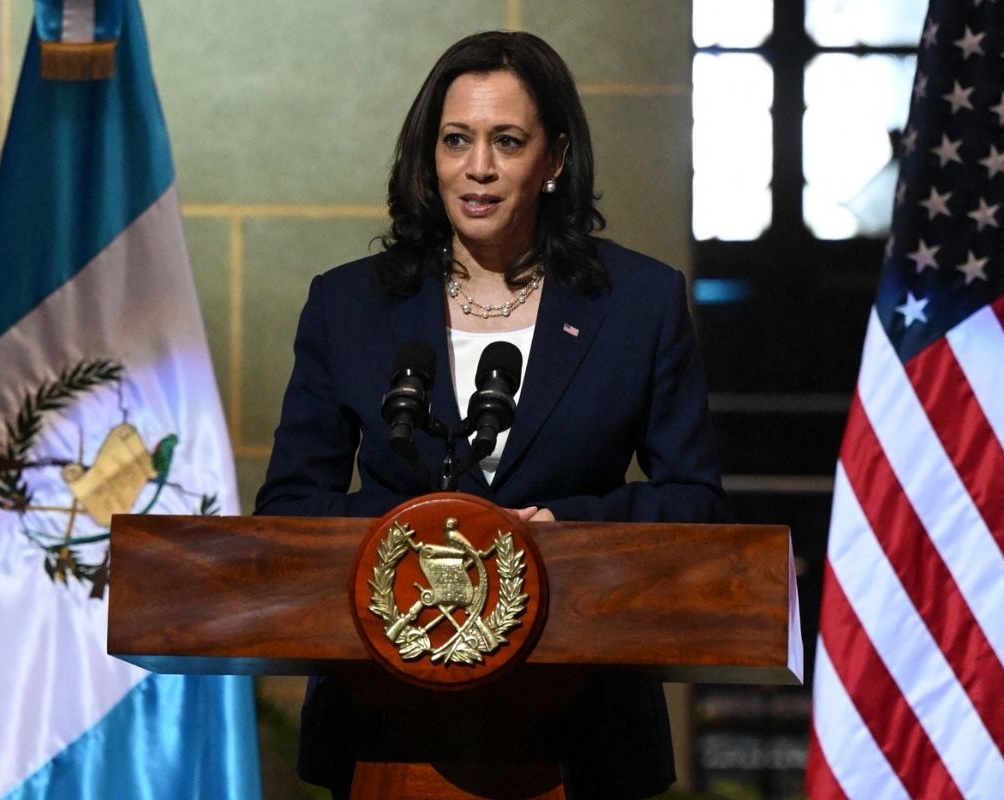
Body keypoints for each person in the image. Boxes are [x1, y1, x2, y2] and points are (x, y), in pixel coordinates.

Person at [255, 30, 729, 799]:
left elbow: (697, 507)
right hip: (387, 723)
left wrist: (562, 534)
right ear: (428, 155)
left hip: (583, 730)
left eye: (507, 141)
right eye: (456, 141)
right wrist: (413, 539)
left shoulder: (637, 305)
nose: (478, 168)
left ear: (556, 159)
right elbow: (287, 512)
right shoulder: (349, 306)